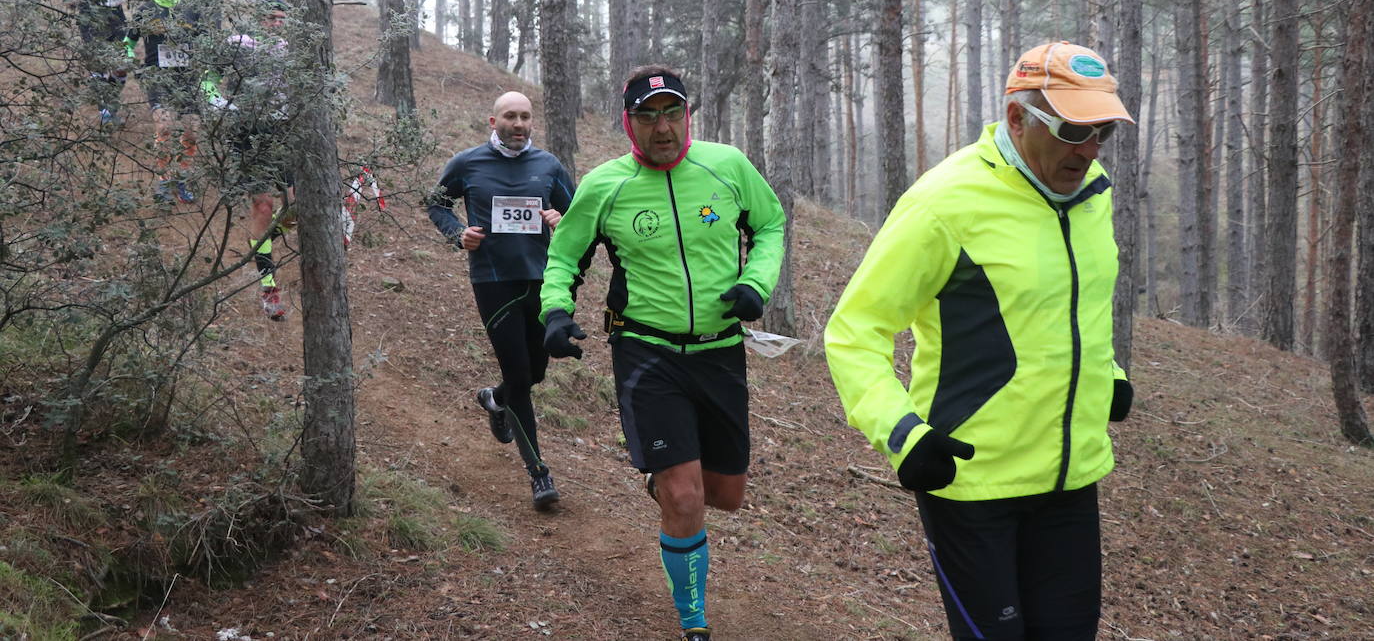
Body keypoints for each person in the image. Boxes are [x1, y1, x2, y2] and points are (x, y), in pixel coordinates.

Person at [824, 40, 1137, 641]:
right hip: (971, 483)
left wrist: (1110, 372)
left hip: (1071, 481)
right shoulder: (945, 203)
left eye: (1102, 131)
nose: (1091, 150)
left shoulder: (1090, 190)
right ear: (1018, 118)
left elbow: (1071, 305)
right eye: (1073, 129)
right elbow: (854, 330)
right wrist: (901, 435)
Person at [539, 65, 786, 641]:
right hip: (647, 351)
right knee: (685, 496)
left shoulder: (726, 167)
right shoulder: (605, 186)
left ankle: (667, 483)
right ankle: (694, 621)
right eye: (648, 117)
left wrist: (756, 284)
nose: (663, 128)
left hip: (721, 351)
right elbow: (563, 258)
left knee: (726, 496)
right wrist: (554, 312)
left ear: (687, 116)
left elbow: (771, 225)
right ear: (629, 124)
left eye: (672, 113)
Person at [426, 92, 576, 511]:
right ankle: (538, 473)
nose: (518, 124)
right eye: (510, 116)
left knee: (535, 373)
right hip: (493, 282)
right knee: (519, 373)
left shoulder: (548, 166)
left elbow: (577, 214)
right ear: (494, 121)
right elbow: (436, 204)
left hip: (543, 281)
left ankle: (496, 398)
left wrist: (560, 221)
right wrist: (458, 234)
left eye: (525, 117)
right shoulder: (468, 163)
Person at [206, 0, 294, 321]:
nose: (276, 24)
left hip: (283, 133)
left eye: (281, 19)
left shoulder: (288, 48)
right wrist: (222, 105)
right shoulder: (238, 44)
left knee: (294, 209)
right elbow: (207, 79)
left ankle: (261, 242)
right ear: (257, 19)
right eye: (271, 18)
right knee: (263, 206)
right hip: (247, 133)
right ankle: (269, 287)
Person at [134, 0, 200, 203]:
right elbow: (129, 42)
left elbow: (205, 40)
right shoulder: (145, 10)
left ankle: (182, 179)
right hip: (156, 75)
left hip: (186, 77)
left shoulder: (192, 9)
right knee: (164, 127)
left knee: (192, 131)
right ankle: (163, 182)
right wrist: (127, 58)